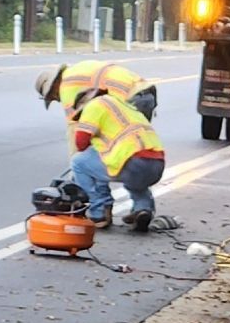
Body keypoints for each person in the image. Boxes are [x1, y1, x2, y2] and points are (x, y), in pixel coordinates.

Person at [34, 62, 161, 225]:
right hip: (145, 95)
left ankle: (100, 210)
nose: (57, 100)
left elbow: (76, 132)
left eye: (53, 97)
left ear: (53, 87)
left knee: (102, 155)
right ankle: (142, 207)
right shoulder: (79, 71)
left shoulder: (67, 87)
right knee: (131, 152)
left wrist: (80, 165)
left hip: (131, 98)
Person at [66, 85, 166, 229]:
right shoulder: (125, 107)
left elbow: (81, 142)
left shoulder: (95, 105)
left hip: (132, 161)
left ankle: (99, 212)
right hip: (156, 164)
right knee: (132, 177)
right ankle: (143, 209)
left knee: (79, 162)